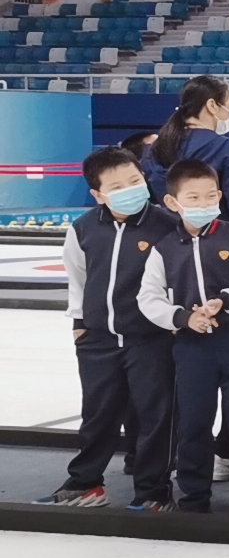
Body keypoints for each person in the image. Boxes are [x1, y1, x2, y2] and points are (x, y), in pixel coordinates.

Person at [36, 147, 182, 509]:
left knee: (156, 415)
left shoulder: (166, 225)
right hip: (98, 339)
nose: (130, 189)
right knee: (98, 412)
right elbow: (78, 279)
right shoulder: (83, 228)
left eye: (135, 180)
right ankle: (86, 482)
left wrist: (174, 323)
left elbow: (180, 278)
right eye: (117, 187)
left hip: (151, 339)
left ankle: (153, 491)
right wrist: (80, 324)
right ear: (98, 194)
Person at [138, 158, 229, 514]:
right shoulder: (164, 249)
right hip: (191, 345)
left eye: (211, 196)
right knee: (194, 421)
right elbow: (148, 298)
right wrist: (183, 318)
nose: (204, 204)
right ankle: (194, 495)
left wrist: (227, 300)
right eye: (193, 198)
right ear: (172, 202)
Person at [142, 74, 229, 226]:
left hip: (166, 234)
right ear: (212, 105)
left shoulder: (153, 149)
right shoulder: (226, 149)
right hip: (215, 235)